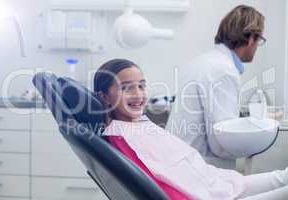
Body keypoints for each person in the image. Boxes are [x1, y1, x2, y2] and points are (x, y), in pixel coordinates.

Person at [94, 58, 288, 200]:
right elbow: (158, 190)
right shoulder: (124, 138)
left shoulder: (136, 126)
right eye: (127, 88)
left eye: (142, 86)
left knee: (283, 177)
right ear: (104, 97)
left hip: (218, 185)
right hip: (209, 195)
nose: (138, 95)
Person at [167, 5, 267, 169]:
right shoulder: (223, 71)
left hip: (181, 163)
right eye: (259, 40)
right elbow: (222, 143)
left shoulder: (203, 62)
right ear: (251, 38)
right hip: (198, 169)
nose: (257, 47)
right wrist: (258, 143)